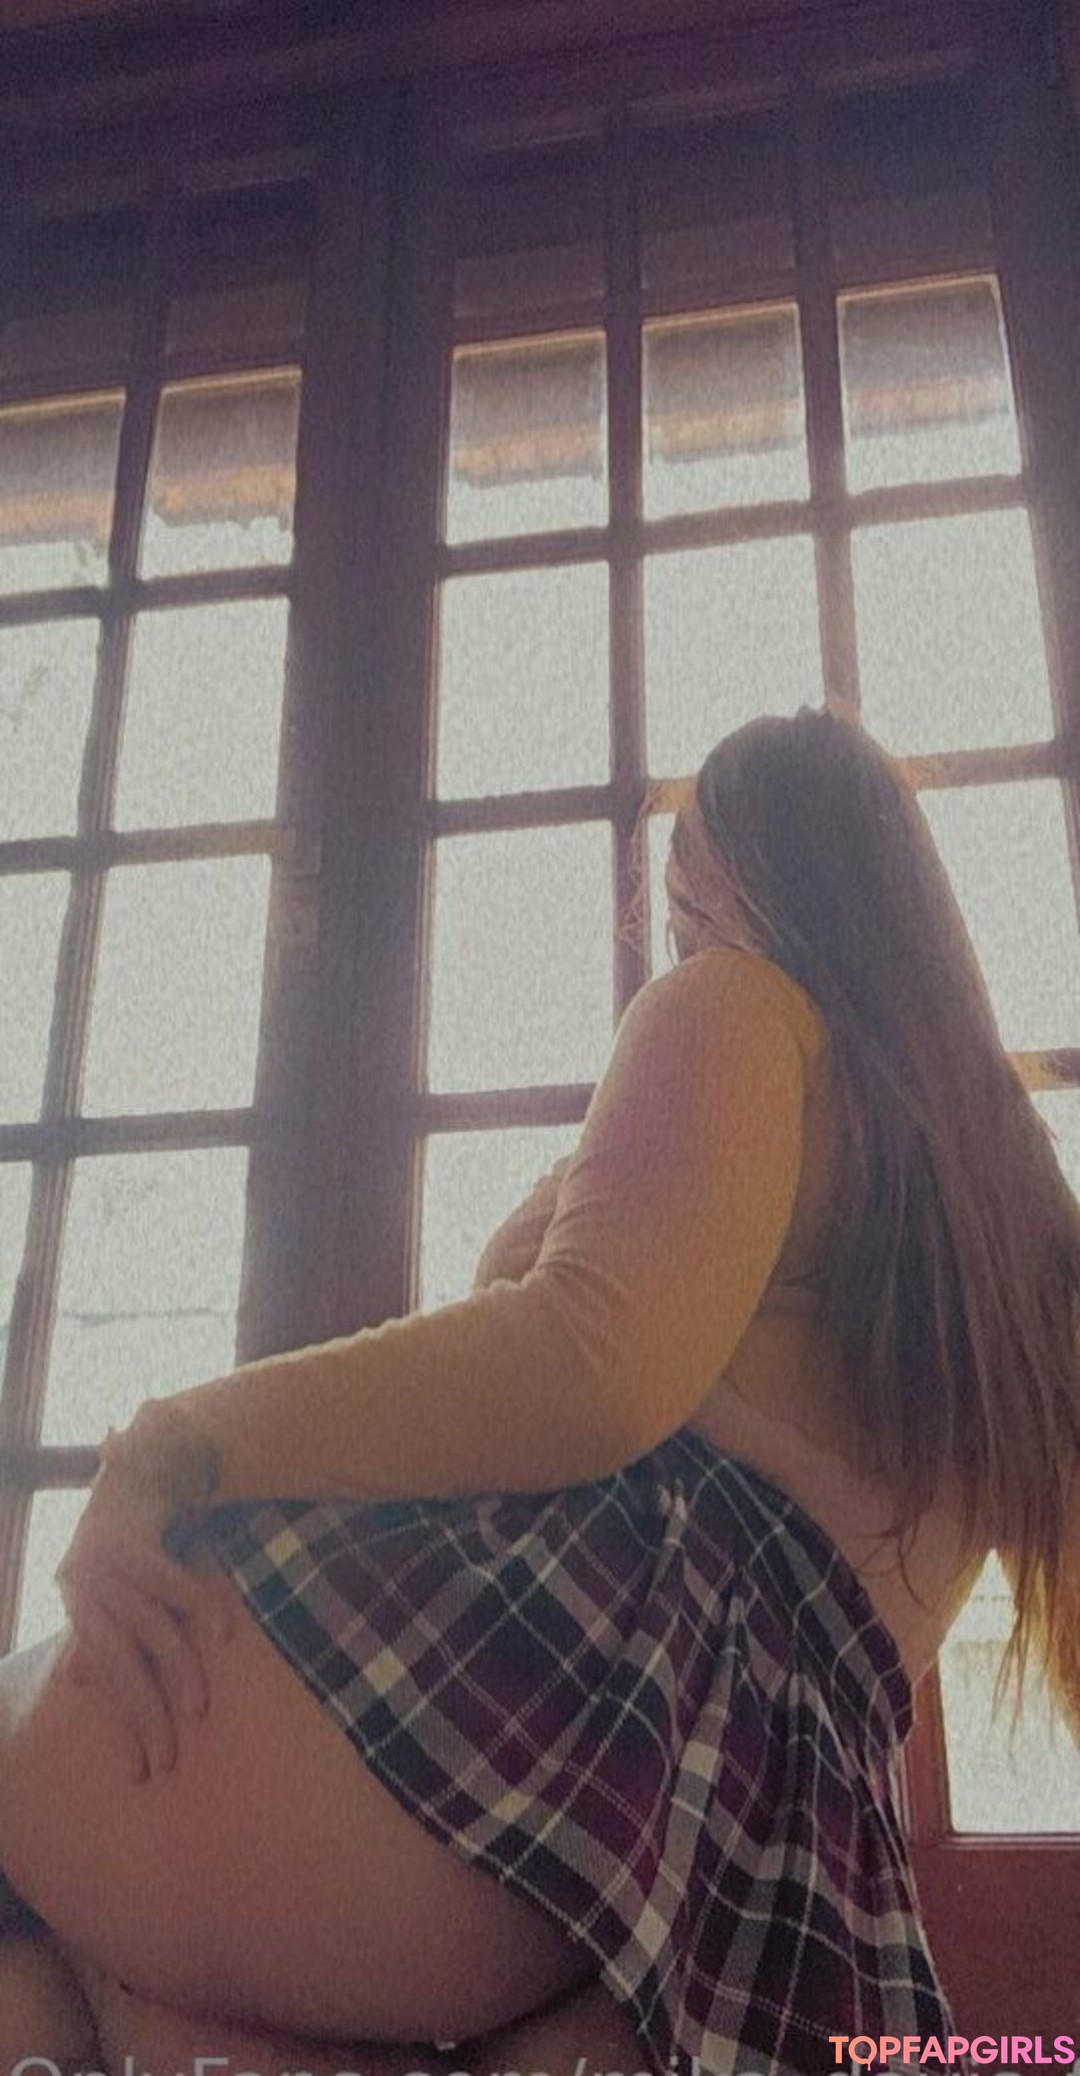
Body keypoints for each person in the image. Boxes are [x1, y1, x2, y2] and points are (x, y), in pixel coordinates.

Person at [1, 704, 1078, 2076]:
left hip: (539, 1714)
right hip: (749, 1850)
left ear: (769, 876)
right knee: (87, 1986)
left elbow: (587, 1358)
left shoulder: (743, 1007)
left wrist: (174, 1446)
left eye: (695, 901)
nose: (685, 943)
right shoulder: (1017, 1233)